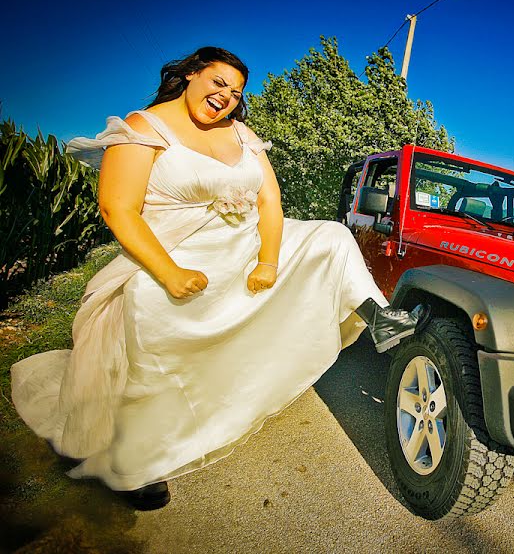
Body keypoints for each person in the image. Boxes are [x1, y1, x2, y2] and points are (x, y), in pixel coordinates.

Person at [10, 46, 428, 510]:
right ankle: (135, 462)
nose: (226, 96)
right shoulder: (143, 128)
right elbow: (118, 208)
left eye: (235, 91)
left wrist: (268, 261)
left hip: (246, 244)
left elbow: (270, 201)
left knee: (329, 236)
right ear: (190, 74)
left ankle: (379, 316)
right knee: (149, 310)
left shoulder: (242, 134)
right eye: (217, 82)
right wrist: (169, 274)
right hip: (176, 250)